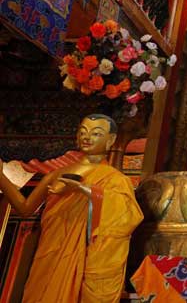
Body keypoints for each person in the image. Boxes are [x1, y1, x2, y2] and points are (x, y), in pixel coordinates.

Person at [0, 114, 143, 302]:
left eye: (96, 133)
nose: (87, 137)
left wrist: (85, 190)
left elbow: (127, 217)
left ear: (111, 140)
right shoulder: (57, 174)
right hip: (50, 253)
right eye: (83, 132)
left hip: (83, 258)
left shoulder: (116, 179)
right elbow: (25, 208)